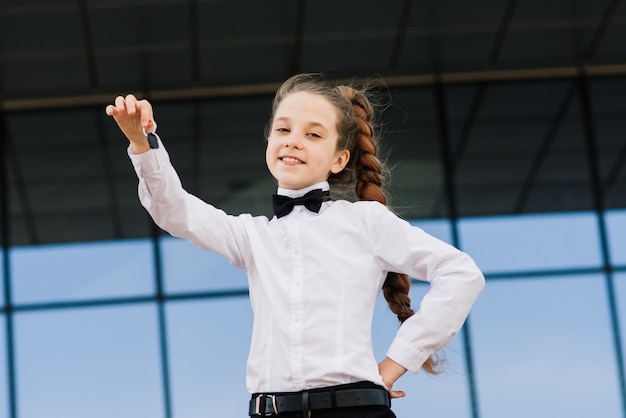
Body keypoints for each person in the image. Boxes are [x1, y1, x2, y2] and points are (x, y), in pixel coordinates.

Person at [105, 73, 485, 418]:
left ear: (340, 159)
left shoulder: (365, 221)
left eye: (313, 134)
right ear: (269, 140)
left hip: (354, 410)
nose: (293, 141)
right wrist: (143, 142)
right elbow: (176, 211)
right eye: (283, 129)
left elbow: (460, 274)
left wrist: (396, 363)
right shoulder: (253, 236)